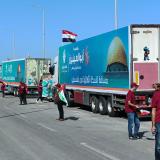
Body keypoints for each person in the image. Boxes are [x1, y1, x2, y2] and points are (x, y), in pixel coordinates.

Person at [151, 83, 160, 160]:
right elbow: (153, 110)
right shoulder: (156, 94)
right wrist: (153, 125)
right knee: (159, 145)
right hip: (159, 122)